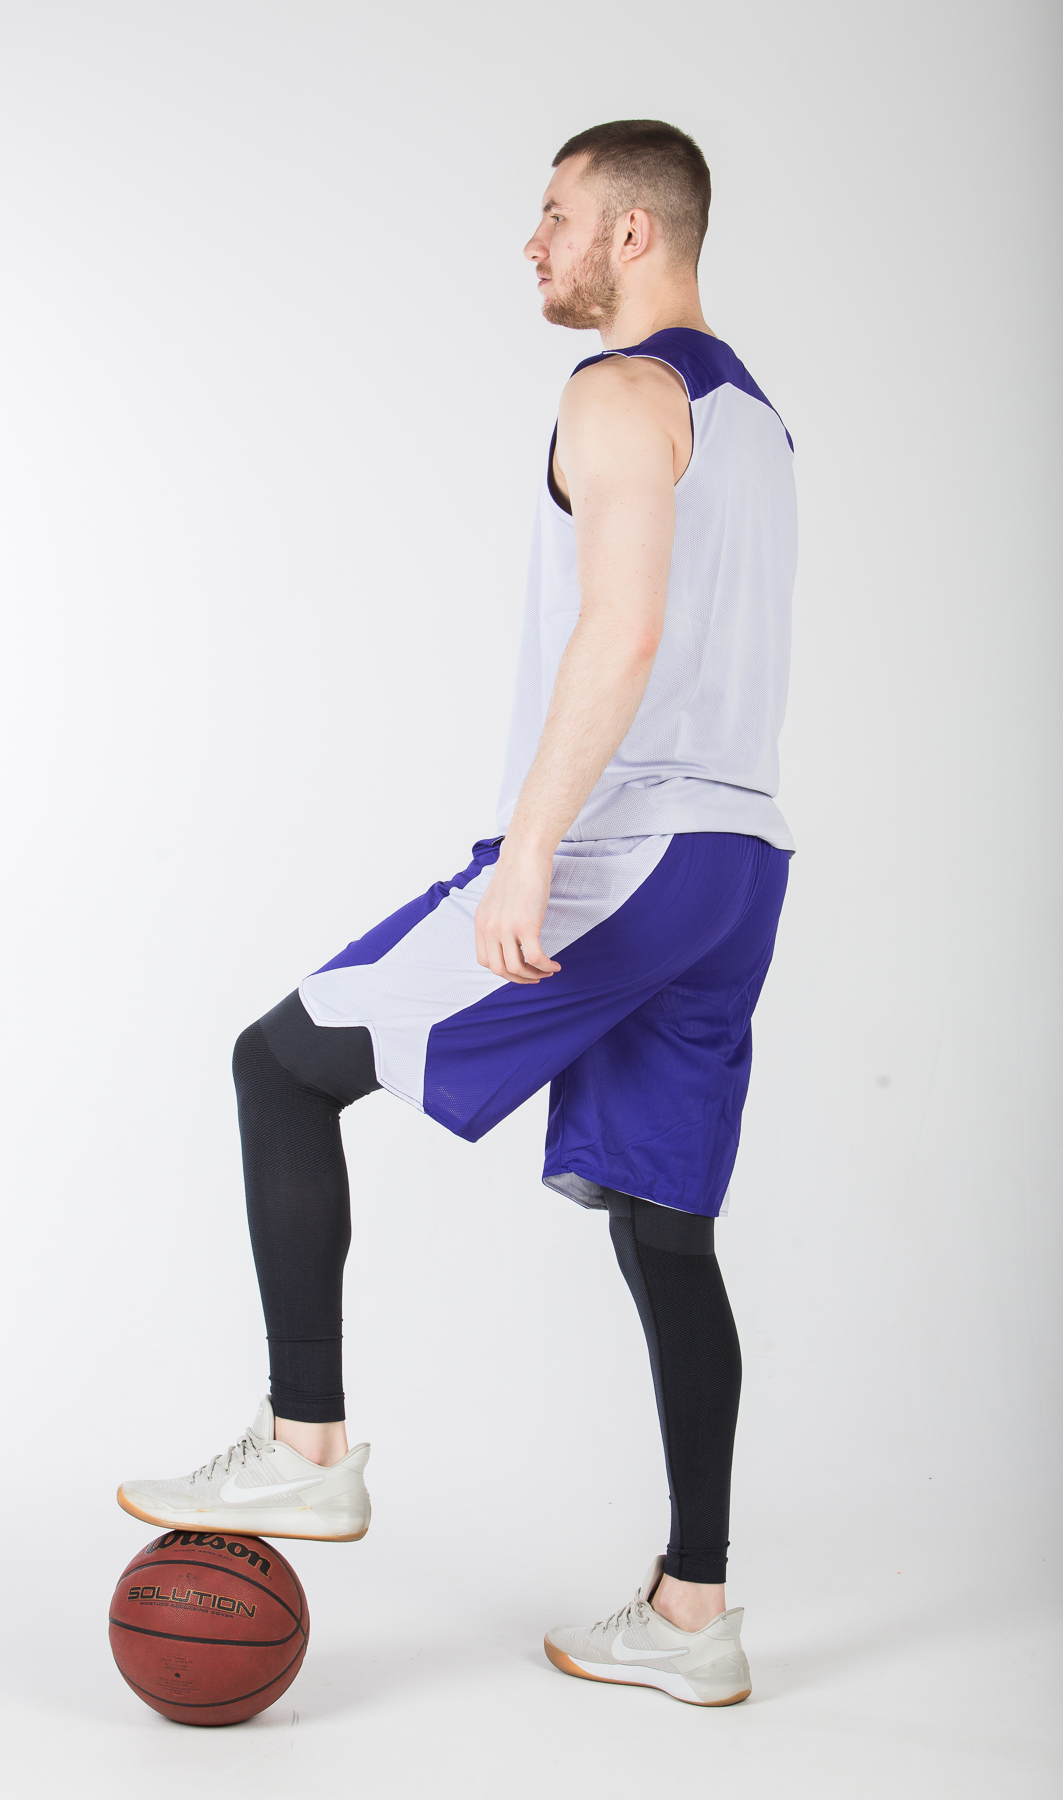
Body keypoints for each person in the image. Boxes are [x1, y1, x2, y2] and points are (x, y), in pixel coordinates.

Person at [118, 118, 796, 1709]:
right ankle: (694, 1615)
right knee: (667, 1231)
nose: (533, 240)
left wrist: (529, 852)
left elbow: (622, 632)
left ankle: (307, 1446)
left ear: (634, 232)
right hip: (738, 863)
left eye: (556, 212)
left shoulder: (620, 391)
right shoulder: (755, 418)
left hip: (625, 847)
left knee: (282, 1065)